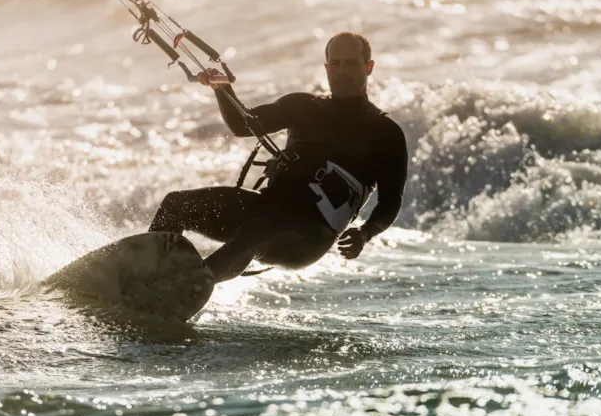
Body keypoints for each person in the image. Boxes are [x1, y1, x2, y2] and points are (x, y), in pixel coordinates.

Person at [148, 32, 409, 282]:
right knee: (177, 204)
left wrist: (365, 233)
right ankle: (147, 271)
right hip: (267, 208)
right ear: (327, 68)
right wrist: (222, 88)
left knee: (253, 234)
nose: (342, 71)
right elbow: (243, 124)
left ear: (369, 67)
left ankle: (184, 287)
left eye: (351, 63)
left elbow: (390, 202)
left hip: (311, 234)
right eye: (336, 63)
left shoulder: (384, 131)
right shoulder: (304, 106)